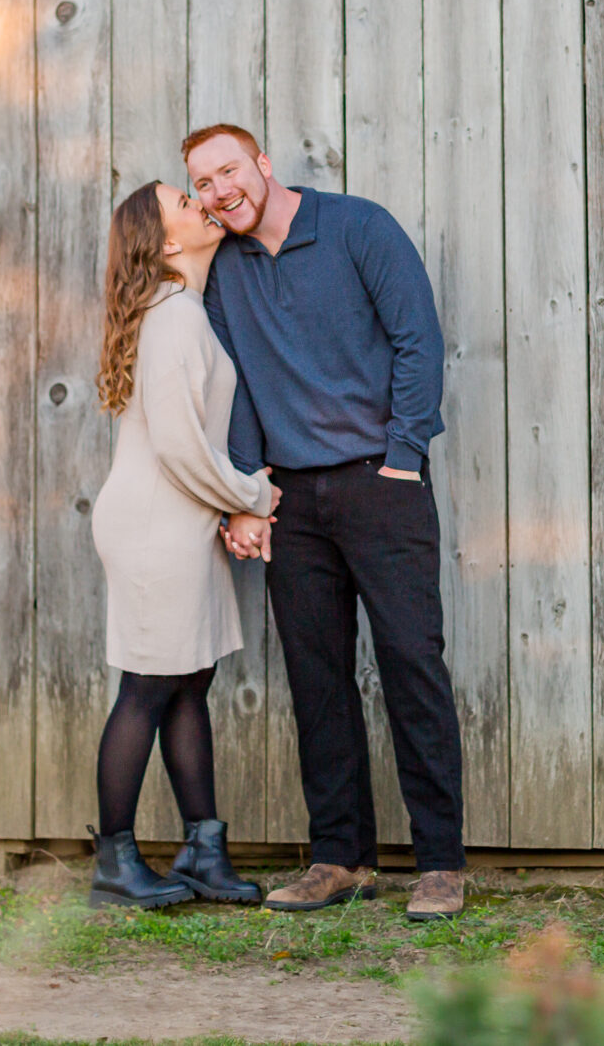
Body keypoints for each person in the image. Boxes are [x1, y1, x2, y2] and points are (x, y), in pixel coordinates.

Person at [183, 123, 466, 923]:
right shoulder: (224, 271)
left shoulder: (358, 227)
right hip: (293, 501)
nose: (220, 191)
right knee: (316, 678)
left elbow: (417, 340)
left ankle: (440, 863)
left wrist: (403, 456)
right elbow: (236, 385)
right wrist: (250, 488)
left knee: (412, 663)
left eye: (229, 170)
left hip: (383, 482)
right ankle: (341, 858)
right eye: (203, 183)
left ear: (262, 164)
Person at [85, 180, 282, 911]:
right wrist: (251, 495)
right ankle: (114, 862)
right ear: (168, 241)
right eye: (184, 202)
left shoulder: (182, 311)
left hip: (176, 521)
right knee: (146, 687)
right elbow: (179, 447)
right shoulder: (172, 319)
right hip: (154, 527)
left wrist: (231, 501)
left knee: (189, 681)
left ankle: (204, 850)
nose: (203, 203)